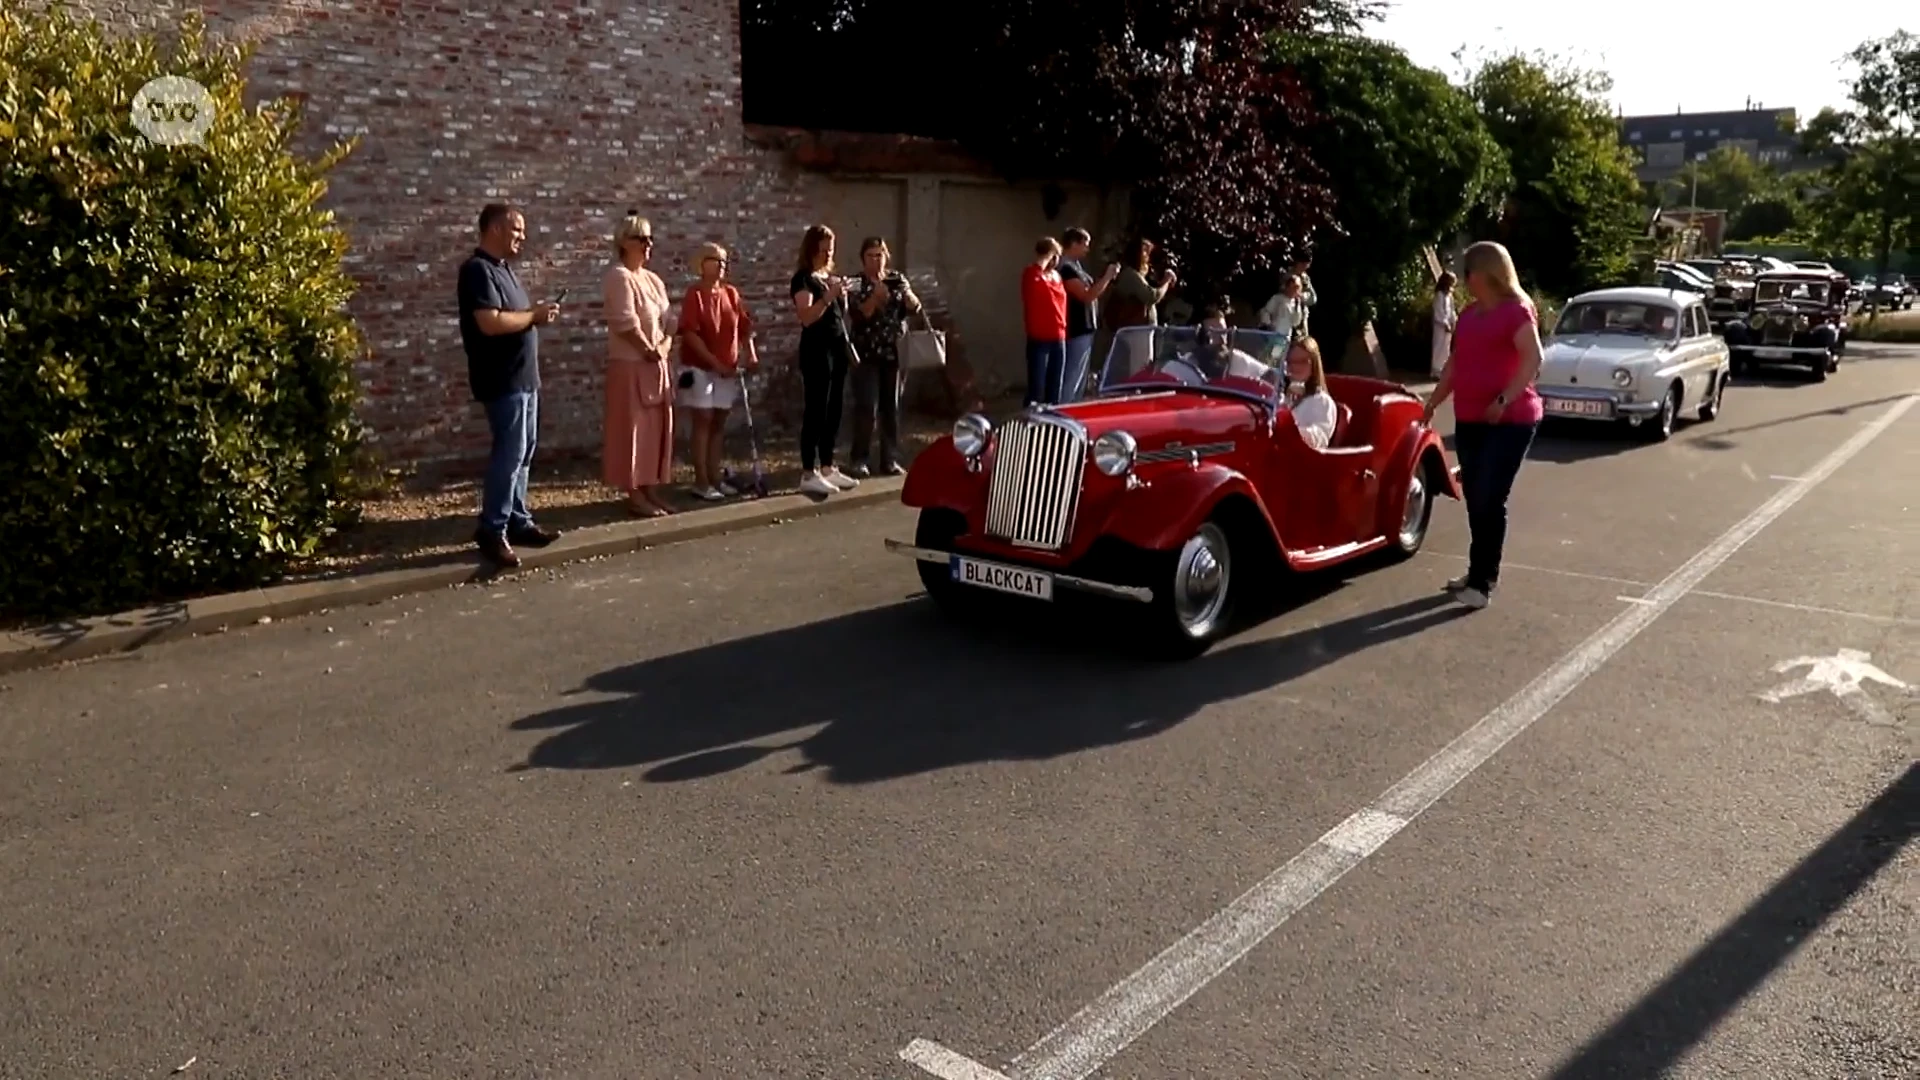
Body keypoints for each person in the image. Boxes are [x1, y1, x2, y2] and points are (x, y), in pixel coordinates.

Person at [1420, 241, 1544, 610]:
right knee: (1475, 496)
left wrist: (1504, 399)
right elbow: (1456, 365)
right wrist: (1432, 402)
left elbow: (1533, 358)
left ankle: (1483, 581)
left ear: (1483, 273)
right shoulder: (1471, 315)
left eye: (1467, 272)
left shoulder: (1517, 311)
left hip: (1511, 420)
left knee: (1490, 497)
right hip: (1471, 418)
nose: (1464, 279)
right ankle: (1477, 570)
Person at [457, 202, 560, 568]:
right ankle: (492, 529)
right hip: (502, 380)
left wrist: (535, 316)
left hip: (524, 379)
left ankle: (518, 520)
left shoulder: (505, 271)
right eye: (516, 230)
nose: (522, 237)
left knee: (524, 452)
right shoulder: (477, 271)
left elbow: (516, 319)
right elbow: (490, 322)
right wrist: (534, 315)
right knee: (510, 453)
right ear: (495, 229)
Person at [601, 212, 676, 518]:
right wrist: (647, 349)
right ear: (624, 242)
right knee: (633, 430)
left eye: (650, 239)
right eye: (641, 239)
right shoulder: (619, 277)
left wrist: (664, 346)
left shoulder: (653, 279)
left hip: (657, 365)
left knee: (656, 430)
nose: (648, 245)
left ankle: (651, 488)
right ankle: (633, 493)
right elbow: (624, 322)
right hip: (631, 366)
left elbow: (670, 320)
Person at [677, 240, 756, 500]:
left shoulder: (730, 293)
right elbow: (690, 334)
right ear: (702, 264)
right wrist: (714, 363)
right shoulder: (695, 295)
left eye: (724, 260)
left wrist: (750, 354)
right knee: (703, 420)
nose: (721, 264)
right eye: (715, 259)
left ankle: (715, 477)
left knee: (719, 422)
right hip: (700, 368)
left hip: (727, 369)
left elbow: (744, 327)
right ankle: (700, 481)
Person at [790, 224, 861, 497]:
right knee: (816, 410)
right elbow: (806, 317)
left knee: (834, 409)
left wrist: (840, 296)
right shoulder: (804, 279)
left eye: (830, 250)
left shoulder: (826, 277)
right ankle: (809, 471)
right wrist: (827, 297)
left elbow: (837, 317)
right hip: (816, 351)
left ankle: (828, 465)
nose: (826, 255)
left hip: (836, 349)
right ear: (811, 250)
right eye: (822, 250)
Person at [846, 236, 922, 477]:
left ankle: (889, 459)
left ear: (886, 256)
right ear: (863, 258)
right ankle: (859, 458)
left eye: (879, 255)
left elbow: (915, 307)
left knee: (891, 408)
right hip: (865, 353)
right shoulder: (856, 282)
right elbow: (858, 315)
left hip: (893, 353)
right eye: (870, 256)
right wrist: (875, 298)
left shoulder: (896, 279)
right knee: (867, 406)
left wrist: (910, 298)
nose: (875, 260)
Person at [1055, 228, 1119, 402]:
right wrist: (1107, 277)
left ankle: (1073, 409)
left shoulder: (1076, 266)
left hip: (1086, 327)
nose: (1087, 249)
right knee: (1072, 376)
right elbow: (1087, 295)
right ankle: (1064, 411)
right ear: (1074, 244)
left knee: (1080, 377)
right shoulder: (1065, 268)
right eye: (1085, 245)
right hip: (1076, 327)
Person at [1020, 237, 1069, 405]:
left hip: (1058, 336)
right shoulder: (1032, 273)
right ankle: (1029, 422)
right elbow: (1033, 287)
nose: (1056, 260)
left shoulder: (1056, 276)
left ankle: (1051, 423)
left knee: (1055, 387)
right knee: (1037, 387)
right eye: (1054, 256)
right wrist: (1047, 254)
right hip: (1039, 338)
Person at [1283, 336, 1337, 449]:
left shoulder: (1322, 401)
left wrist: (1291, 429)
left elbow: (1320, 439)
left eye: (1302, 361)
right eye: (1290, 361)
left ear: (1314, 364)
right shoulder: (1280, 396)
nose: (1295, 366)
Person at [1258, 272, 1307, 340]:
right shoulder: (1277, 298)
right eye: (1292, 287)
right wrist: (1268, 325)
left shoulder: (1296, 303)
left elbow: (1295, 322)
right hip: (1272, 334)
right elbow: (1265, 311)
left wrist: (1298, 306)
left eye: (1297, 288)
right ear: (1287, 287)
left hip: (1285, 337)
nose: (1294, 290)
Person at [1431, 270, 1457, 378]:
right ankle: (1436, 371)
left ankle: (1443, 369)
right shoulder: (1439, 295)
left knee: (1446, 348)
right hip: (1440, 325)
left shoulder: (1449, 295)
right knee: (1439, 347)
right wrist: (1445, 323)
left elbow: (1451, 310)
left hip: (1448, 326)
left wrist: (1453, 321)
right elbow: (1439, 311)